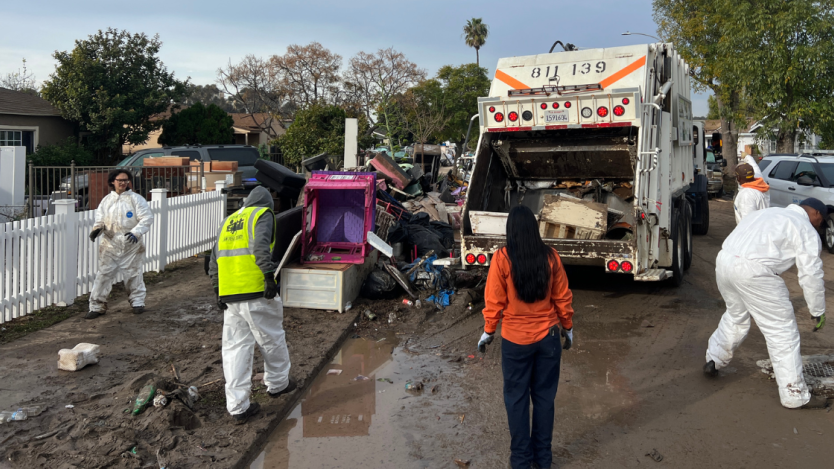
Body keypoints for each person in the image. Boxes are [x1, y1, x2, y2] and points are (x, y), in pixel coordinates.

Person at [704, 197, 827, 409]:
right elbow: (811, 273)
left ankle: (714, 359)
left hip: (725, 262)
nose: (820, 225)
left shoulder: (765, 213)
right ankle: (794, 394)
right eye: (821, 220)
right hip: (756, 272)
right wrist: (818, 310)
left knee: (735, 316)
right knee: (782, 332)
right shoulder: (804, 227)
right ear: (816, 213)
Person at [478, 205, 575, 469]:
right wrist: (567, 326)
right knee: (544, 399)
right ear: (534, 229)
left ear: (511, 231)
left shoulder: (502, 259)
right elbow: (562, 297)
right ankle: (543, 460)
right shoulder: (551, 257)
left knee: (517, 399)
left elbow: (494, 300)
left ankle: (521, 461)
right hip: (549, 339)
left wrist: (488, 331)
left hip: (515, 343)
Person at [208, 186, 296, 425]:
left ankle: (237, 407)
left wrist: (218, 290)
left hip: (230, 296)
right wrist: (269, 276)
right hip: (257, 291)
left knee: (235, 349)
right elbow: (260, 248)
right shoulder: (262, 214)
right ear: (267, 203)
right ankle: (278, 384)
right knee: (271, 337)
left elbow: (213, 260)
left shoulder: (228, 221)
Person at [87, 170, 154, 319]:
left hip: (131, 243)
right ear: (113, 182)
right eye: (120, 180)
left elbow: (147, 218)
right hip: (110, 243)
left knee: (133, 273)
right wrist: (97, 229)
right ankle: (97, 306)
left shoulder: (136, 199)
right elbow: (100, 219)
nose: (123, 183)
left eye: (125, 180)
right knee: (104, 274)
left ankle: (137, 302)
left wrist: (136, 233)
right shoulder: (106, 201)